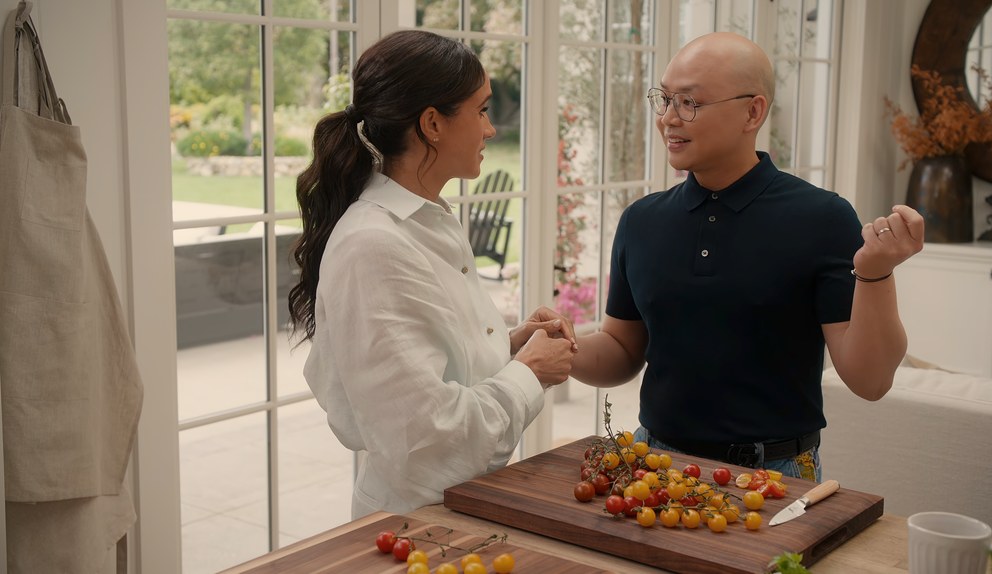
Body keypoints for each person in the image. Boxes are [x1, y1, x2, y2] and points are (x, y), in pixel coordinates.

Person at [569, 32, 924, 482]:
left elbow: (870, 380)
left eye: (689, 103)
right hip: (653, 466)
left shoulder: (823, 217)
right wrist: (562, 347)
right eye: (664, 99)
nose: (668, 119)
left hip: (772, 476)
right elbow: (621, 349)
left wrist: (875, 273)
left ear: (752, 111)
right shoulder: (641, 221)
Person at [288, 30, 577, 519]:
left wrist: (509, 346)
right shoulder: (373, 245)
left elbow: (427, 370)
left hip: (462, 514)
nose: (490, 130)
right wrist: (530, 373)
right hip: (417, 527)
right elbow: (425, 442)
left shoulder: (427, 221)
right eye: (481, 111)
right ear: (432, 124)